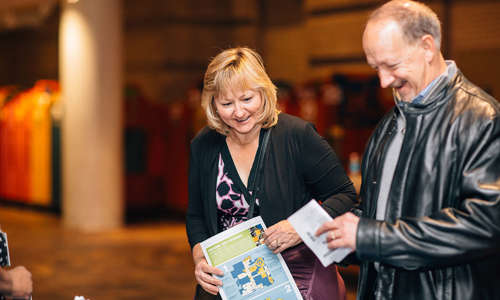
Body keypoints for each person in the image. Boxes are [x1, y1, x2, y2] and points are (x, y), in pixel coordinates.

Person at [316, 1, 500, 299]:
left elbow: (485, 224)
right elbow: (384, 214)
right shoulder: (389, 125)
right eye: (376, 68)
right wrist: (341, 237)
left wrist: (368, 236)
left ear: (427, 47)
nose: (384, 80)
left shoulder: (481, 120)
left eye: (392, 65)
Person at [186, 47, 357, 299]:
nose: (239, 112)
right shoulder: (204, 144)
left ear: (263, 93)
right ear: (212, 103)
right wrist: (200, 256)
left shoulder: (296, 135)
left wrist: (299, 227)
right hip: (232, 283)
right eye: (226, 103)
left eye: (247, 99)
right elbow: (196, 214)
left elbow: (344, 194)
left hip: (295, 279)